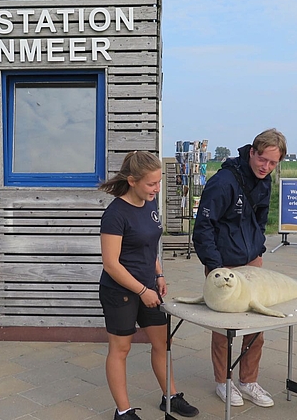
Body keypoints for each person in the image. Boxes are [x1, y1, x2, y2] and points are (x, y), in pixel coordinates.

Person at [98, 151, 199, 420]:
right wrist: (142, 291)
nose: (157, 189)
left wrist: (159, 275)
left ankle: (171, 397)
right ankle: (123, 412)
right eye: (151, 184)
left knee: (163, 342)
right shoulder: (115, 214)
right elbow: (111, 264)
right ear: (132, 181)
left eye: (158, 182)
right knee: (121, 349)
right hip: (120, 292)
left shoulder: (150, 204)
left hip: (148, 287)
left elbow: (149, 245)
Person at [192, 129, 287, 408]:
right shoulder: (222, 182)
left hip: (252, 261)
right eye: (263, 160)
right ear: (253, 152)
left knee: (256, 325)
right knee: (224, 328)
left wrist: (258, 249)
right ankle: (223, 382)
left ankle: (248, 381)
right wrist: (214, 267)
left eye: (273, 164)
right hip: (223, 264)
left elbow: (260, 218)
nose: (266, 167)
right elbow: (203, 228)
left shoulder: (265, 181)